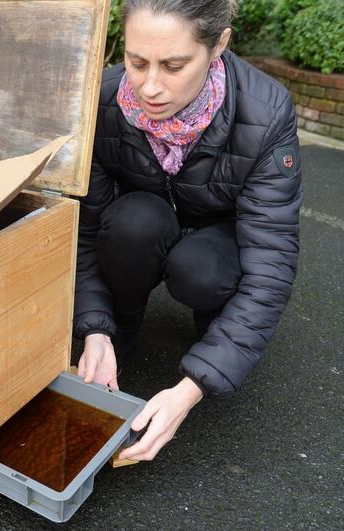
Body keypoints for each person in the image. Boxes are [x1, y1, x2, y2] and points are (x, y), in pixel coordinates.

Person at [74, 0, 303, 462]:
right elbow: (84, 230)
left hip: (217, 236)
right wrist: (94, 328)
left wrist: (195, 384)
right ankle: (122, 325)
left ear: (218, 45)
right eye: (137, 61)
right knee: (131, 221)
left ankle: (212, 327)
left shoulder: (266, 112)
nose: (149, 87)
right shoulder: (102, 101)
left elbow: (271, 266)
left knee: (202, 269)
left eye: (174, 66)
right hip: (146, 220)